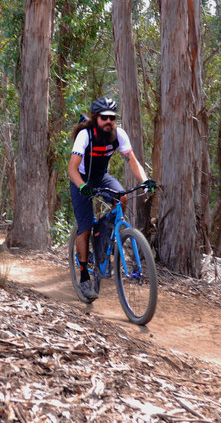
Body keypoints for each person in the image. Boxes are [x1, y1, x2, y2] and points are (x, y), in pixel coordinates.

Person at [68, 96, 156, 302]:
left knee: (122, 197)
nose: (109, 121)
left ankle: (105, 232)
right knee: (85, 227)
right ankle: (83, 276)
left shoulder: (119, 135)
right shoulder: (85, 135)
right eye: (104, 118)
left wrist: (145, 180)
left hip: (101, 177)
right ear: (96, 118)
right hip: (81, 180)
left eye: (112, 118)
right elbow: (72, 168)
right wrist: (82, 186)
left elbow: (132, 160)